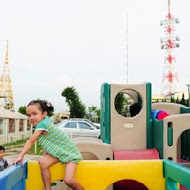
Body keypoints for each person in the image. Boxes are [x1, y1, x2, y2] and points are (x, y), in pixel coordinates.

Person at [13, 100, 84, 190]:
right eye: (29, 115)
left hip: (71, 155)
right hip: (60, 153)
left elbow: (31, 141)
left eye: (35, 114)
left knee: (68, 180)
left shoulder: (42, 124)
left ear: (44, 114)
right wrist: (45, 157)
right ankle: (48, 188)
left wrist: (21, 155)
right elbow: (45, 143)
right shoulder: (44, 123)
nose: (31, 117)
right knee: (43, 163)